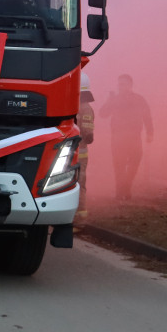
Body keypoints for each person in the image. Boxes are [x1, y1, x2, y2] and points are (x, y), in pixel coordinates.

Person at [99, 74, 153, 200]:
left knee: (135, 162)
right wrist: (108, 101)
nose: (120, 87)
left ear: (130, 85)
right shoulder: (114, 99)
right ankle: (120, 193)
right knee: (119, 165)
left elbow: (147, 117)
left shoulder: (139, 99)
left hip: (134, 137)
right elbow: (103, 114)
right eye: (119, 84)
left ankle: (126, 187)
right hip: (118, 138)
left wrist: (150, 133)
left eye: (123, 84)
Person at [76, 72, 95, 221]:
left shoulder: (85, 108)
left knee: (79, 185)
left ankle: (80, 220)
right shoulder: (75, 105)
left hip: (79, 154)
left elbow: (88, 136)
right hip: (71, 153)